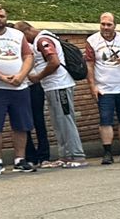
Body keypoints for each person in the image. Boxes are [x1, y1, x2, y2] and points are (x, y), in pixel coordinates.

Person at [17, 21, 87, 170]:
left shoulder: (42, 41)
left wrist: (38, 76)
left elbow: (54, 62)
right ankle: (65, 156)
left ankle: (77, 155)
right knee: (58, 122)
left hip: (59, 86)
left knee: (66, 121)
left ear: (26, 32)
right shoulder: (43, 38)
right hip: (52, 87)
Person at [0, 4, 36, 174]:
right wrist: (2, 77)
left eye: (1, 15)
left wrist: (21, 75)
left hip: (19, 87)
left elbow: (28, 56)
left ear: (6, 17)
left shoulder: (17, 35)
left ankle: (20, 159)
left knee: (22, 124)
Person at [86, 13, 120, 165]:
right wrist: (92, 86)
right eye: (103, 24)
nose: (106, 27)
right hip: (104, 88)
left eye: (109, 24)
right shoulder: (92, 40)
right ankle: (107, 152)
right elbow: (89, 64)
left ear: (115, 25)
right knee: (105, 121)